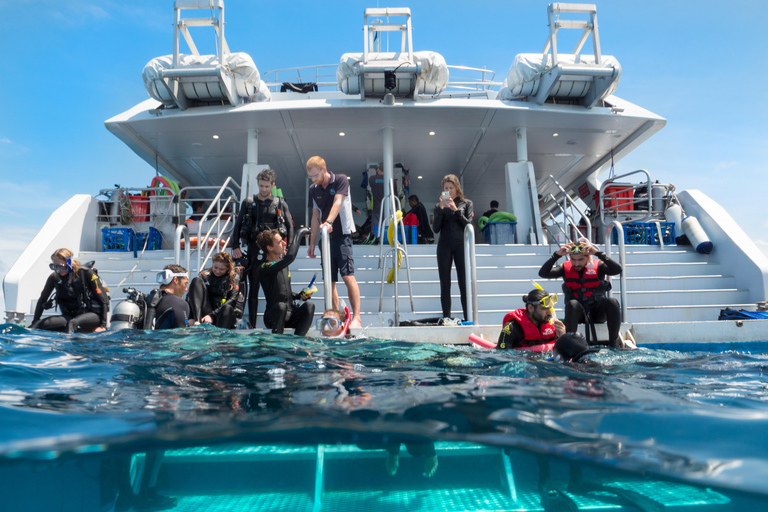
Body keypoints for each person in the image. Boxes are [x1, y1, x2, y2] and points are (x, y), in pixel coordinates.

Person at [231, 168, 294, 328]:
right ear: (258, 185)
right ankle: (252, 324)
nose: (264, 189)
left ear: (272, 185)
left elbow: (290, 226)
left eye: (267, 186)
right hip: (254, 250)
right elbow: (237, 225)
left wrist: (289, 246)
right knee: (254, 287)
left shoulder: (280, 203)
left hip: (273, 251)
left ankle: (276, 320)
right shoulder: (249, 203)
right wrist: (236, 246)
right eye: (261, 186)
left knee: (276, 288)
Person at [306, 155, 363, 329]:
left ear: (324, 169)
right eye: (311, 177)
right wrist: (312, 242)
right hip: (326, 238)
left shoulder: (340, 180)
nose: (314, 179)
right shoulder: (313, 189)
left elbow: (338, 202)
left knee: (347, 276)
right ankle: (336, 319)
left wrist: (329, 222)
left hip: (342, 235)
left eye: (316, 175)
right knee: (329, 281)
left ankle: (357, 317)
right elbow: (316, 216)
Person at [538, 239, 623, 346]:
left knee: (612, 302)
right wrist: (557, 255)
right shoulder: (565, 268)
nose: (576, 263)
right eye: (573, 259)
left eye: (580, 260)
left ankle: (613, 343)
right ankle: (570, 345)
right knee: (572, 304)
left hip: (597, 313)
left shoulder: (599, 267)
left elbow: (618, 269)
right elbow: (543, 273)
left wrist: (598, 253)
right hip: (577, 314)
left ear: (588, 257)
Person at [30, 248, 109, 333]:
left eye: (62, 267)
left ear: (69, 263)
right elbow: (42, 299)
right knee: (39, 324)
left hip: (92, 315)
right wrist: (35, 322)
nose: (58, 270)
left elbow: (104, 300)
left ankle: (68, 346)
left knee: (72, 323)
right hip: (70, 316)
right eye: (54, 267)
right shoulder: (54, 277)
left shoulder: (86, 273)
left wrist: (102, 325)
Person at [257, 227, 315, 336]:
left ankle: (299, 342)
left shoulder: (283, 265)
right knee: (281, 306)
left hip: (290, 314)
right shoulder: (264, 267)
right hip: (273, 315)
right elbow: (290, 257)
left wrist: (299, 295)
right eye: (280, 242)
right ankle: (278, 343)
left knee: (309, 306)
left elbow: (283, 292)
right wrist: (300, 232)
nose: (284, 243)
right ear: (269, 247)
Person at [432, 174, 473, 320]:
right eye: (446, 188)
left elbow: (468, 225)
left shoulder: (466, 203)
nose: (449, 191)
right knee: (445, 284)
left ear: (457, 188)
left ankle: (468, 318)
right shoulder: (439, 206)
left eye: (451, 188)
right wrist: (441, 209)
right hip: (444, 245)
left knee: (463, 283)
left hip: (461, 245)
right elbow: (435, 229)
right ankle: (446, 318)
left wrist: (456, 210)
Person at [187, 251, 242, 329]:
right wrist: (191, 316)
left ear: (227, 268)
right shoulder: (205, 276)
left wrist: (212, 315)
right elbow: (191, 297)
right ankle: (197, 321)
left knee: (227, 307)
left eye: (221, 269)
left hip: (223, 315)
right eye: (215, 267)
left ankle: (220, 336)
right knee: (196, 280)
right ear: (212, 264)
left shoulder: (233, 278)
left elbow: (233, 300)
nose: (217, 271)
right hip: (206, 314)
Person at [497, 288, 563, 350]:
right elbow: (503, 355)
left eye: (550, 308)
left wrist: (563, 337)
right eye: (544, 309)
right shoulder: (511, 328)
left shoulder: (554, 327)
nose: (550, 313)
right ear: (530, 308)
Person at [149, 264, 191, 330]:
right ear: (175, 280)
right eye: (185, 284)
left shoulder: (149, 299)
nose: (186, 289)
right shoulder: (179, 304)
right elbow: (182, 337)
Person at [368, 165, 398, 238]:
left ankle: (376, 242)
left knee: (376, 229)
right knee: (389, 229)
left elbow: (371, 186)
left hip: (377, 209)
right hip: (389, 210)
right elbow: (395, 197)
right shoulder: (392, 180)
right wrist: (396, 208)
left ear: (378, 169)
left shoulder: (372, 178)